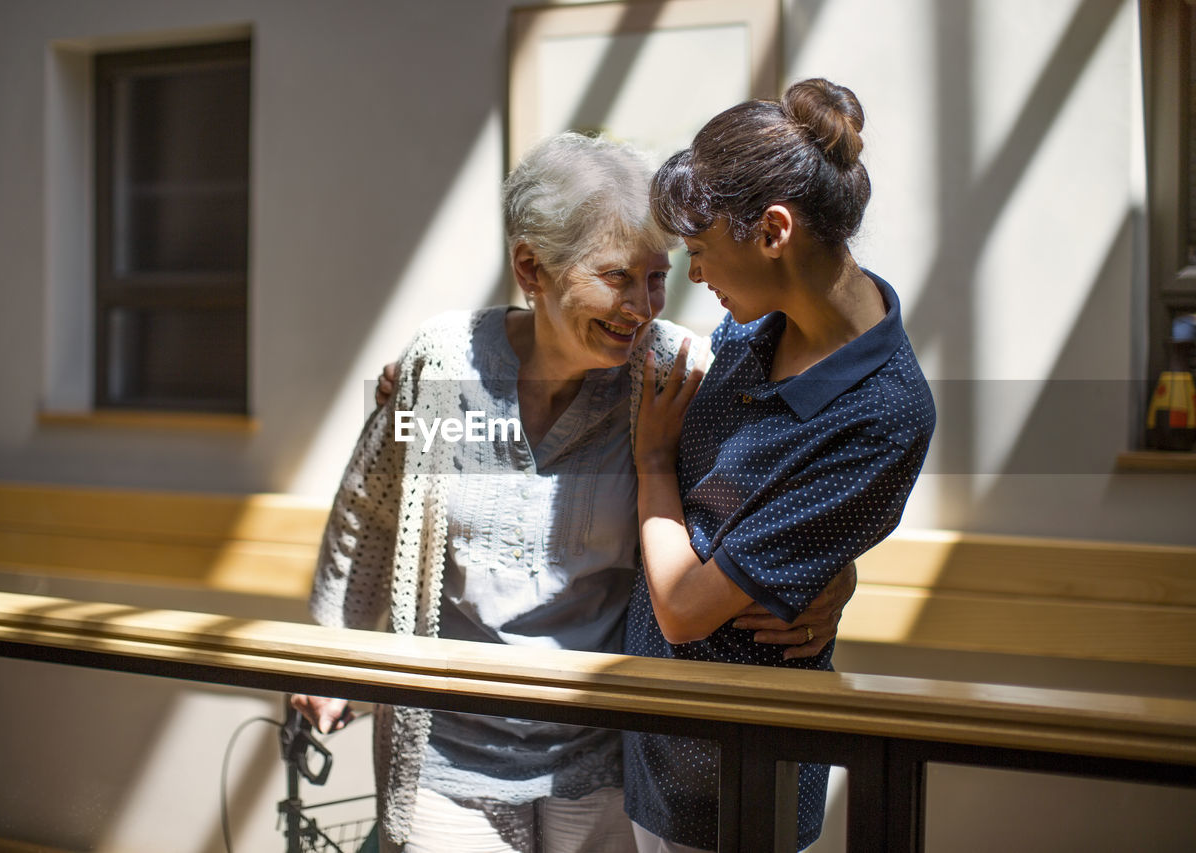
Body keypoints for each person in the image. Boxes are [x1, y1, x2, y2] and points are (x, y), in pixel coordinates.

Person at [294, 131, 857, 853]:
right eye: (619, 277)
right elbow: (369, 511)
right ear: (533, 266)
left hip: (606, 751)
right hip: (445, 749)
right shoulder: (442, 367)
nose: (644, 305)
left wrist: (830, 576)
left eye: (658, 277)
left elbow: (775, 499)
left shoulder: (674, 371)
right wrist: (330, 650)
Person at [626, 79, 937, 852]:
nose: (695, 277)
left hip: (738, 770)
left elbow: (685, 607)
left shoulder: (885, 411)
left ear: (772, 230)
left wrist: (653, 461)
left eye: (700, 252)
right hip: (654, 746)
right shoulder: (758, 325)